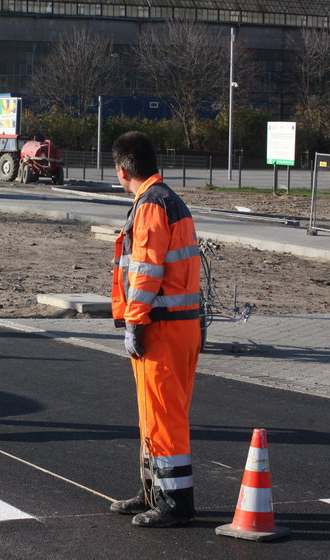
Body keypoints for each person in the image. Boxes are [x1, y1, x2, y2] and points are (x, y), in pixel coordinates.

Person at [109, 131, 201, 528]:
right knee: (156, 414)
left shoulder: (150, 205)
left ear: (121, 169)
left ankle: (174, 503)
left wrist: (134, 320)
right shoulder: (167, 200)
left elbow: (146, 271)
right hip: (178, 326)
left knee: (162, 416)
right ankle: (155, 492)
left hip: (160, 327)